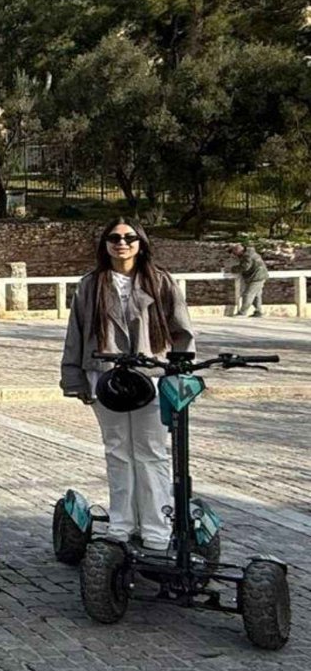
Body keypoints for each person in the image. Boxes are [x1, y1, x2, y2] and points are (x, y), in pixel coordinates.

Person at [61, 219, 195, 551]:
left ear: (141, 242)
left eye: (129, 237)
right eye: (114, 238)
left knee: (150, 451)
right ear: (105, 244)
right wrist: (74, 378)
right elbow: (75, 335)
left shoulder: (160, 281)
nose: (122, 243)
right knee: (118, 451)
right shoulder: (90, 285)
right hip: (105, 377)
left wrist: (180, 374)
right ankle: (122, 521)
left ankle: (156, 523)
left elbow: (182, 332)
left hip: (150, 376)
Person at [227, 242, 270, 317]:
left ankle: (242, 312)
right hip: (259, 276)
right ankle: (258, 312)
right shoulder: (249, 253)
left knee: (248, 294)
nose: (234, 255)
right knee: (256, 295)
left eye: (233, 252)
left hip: (257, 277)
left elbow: (245, 267)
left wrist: (232, 269)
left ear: (237, 250)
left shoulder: (247, 255)